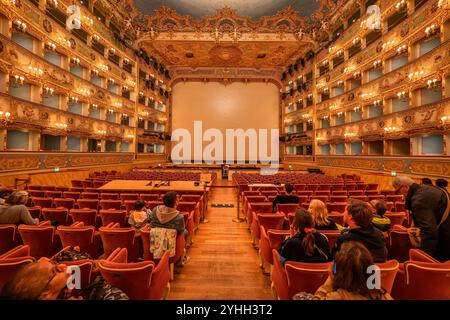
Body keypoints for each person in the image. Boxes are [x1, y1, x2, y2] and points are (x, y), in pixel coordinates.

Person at [0, 255, 129, 300]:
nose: (62, 265)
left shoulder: (67, 289)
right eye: (55, 270)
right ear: (45, 295)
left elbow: (74, 272)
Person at [392, 176, 450, 262]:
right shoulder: (427, 189)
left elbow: (429, 231)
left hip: (444, 241)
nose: (399, 194)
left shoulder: (419, 199)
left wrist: (423, 258)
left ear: (405, 187)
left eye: (398, 191)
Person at [314, 241, 392, 300]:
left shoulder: (337, 296)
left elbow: (317, 298)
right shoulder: (382, 295)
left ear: (340, 273)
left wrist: (332, 277)